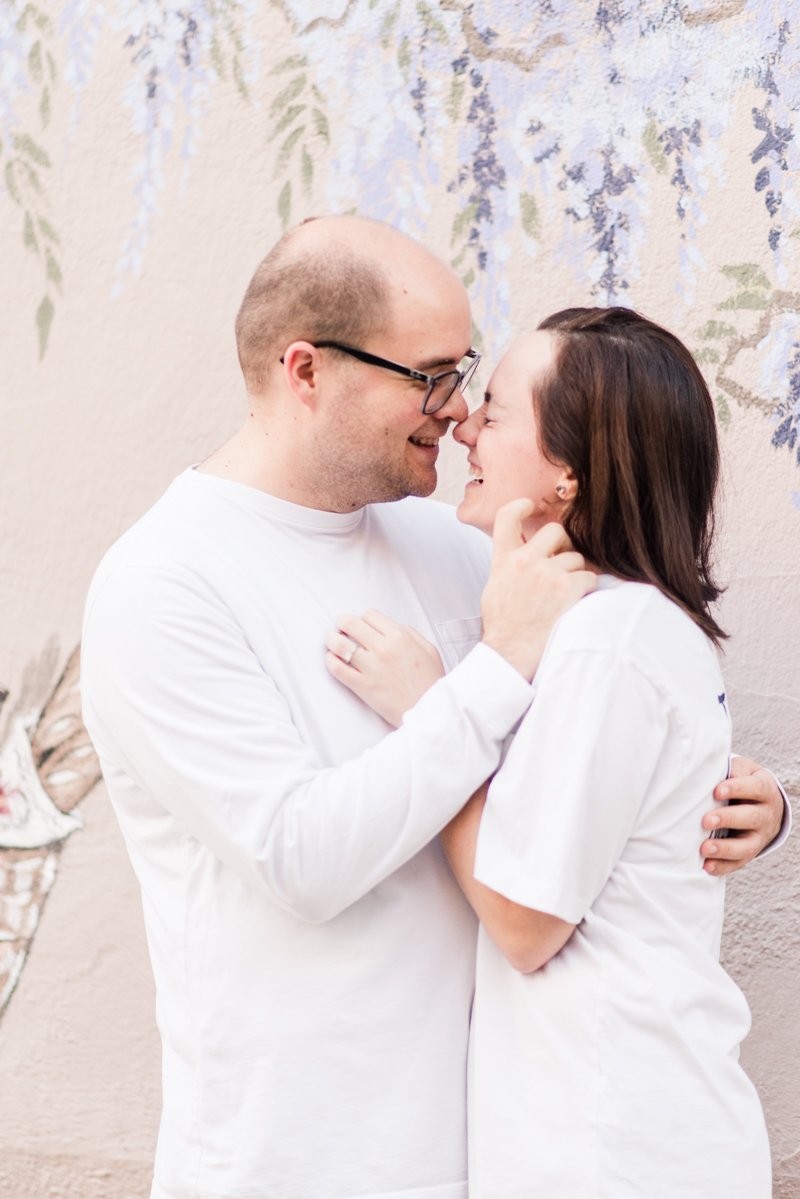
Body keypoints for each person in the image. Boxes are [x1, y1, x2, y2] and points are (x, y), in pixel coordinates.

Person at [81, 218, 785, 1199]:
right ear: (307, 369)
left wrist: (724, 801)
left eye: (467, 380)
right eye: (433, 374)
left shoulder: (456, 541)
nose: (455, 414)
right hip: (297, 1158)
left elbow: (617, 696)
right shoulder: (163, 583)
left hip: (493, 1148)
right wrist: (485, 672)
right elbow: (300, 857)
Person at [330, 308, 774, 1198]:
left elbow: (528, 923)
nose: (462, 423)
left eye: (492, 412)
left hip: (616, 1146)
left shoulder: (607, 639)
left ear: (568, 472)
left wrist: (431, 711)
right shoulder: (600, 622)